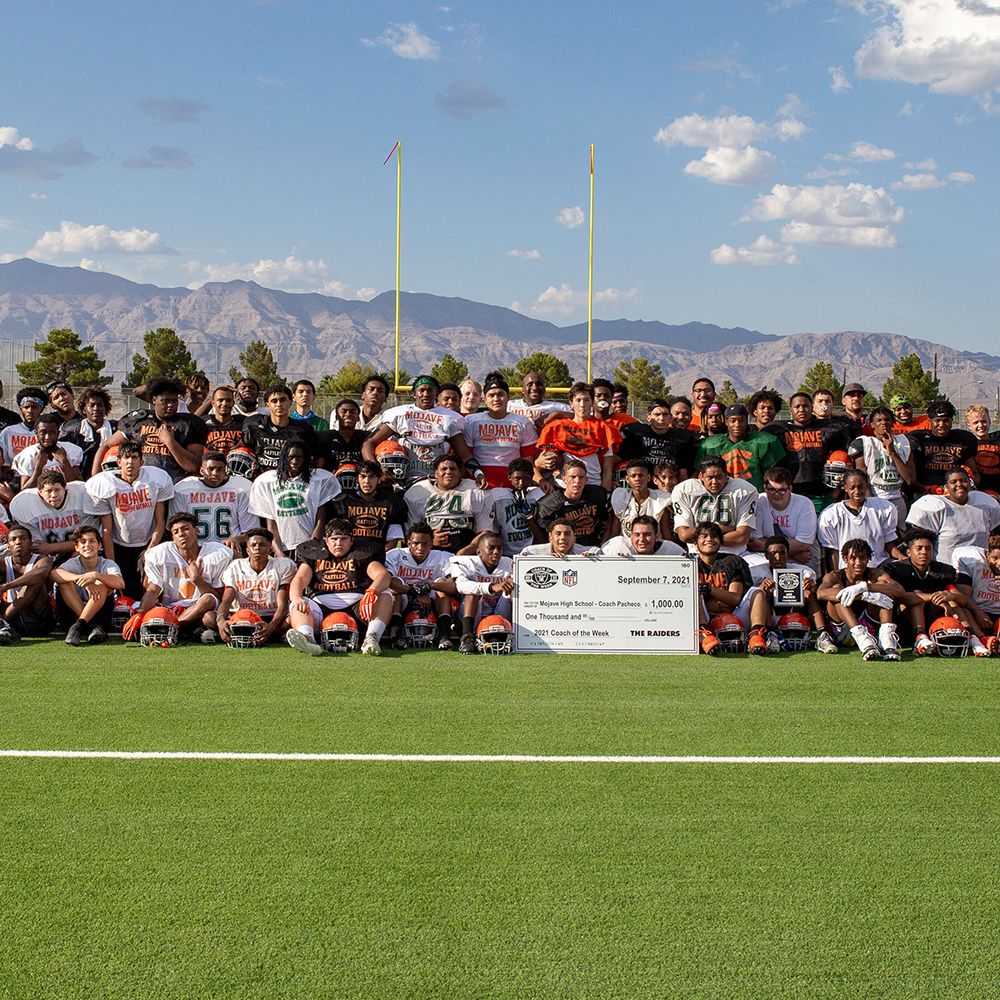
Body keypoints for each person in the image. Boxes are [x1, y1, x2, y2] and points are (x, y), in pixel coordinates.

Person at [285, 519, 393, 656]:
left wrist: (372, 591)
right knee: (297, 604)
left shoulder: (363, 554)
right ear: (325, 540)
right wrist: (297, 598)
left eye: (344, 539)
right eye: (334, 539)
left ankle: (372, 638)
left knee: (385, 594)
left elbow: (383, 575)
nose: (338, 543)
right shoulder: (314, 554)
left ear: (352, 540)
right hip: (320, 607)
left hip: (358, 607)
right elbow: (299, 578)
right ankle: (308, 640)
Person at [84, 441, 173, 598]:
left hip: (148, 541)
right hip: (119, 544)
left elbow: (160, 520)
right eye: (126, 458)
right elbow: (107, 529)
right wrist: (111, 562)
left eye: (134, 457)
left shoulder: (156, 479)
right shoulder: (105, 484)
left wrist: (150, 549)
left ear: (142, 461)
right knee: (123, 588)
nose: (130, 462)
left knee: (150, 585)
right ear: (119, 462)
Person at [885, 527, 992, 656]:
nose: (924, 552)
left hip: (935, 618)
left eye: (928, 548)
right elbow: (901, 598)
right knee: (917, 597)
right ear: (908, 552)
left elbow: (961, 598)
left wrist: (949, 595)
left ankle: (974, 639)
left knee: (953, 601)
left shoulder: (944, 570)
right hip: (904, 621)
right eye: (919, 548)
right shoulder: (896, 568)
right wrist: (933, 597)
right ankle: (920, 638)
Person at [139, 512, 233, 643]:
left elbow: (218, 597)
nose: (181, 534)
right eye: (176, 532)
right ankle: (179, 628)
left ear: (197, 531)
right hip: (170, 609)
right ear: (173, 537)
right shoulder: (160, 554)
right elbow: (154, 589)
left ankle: (172, 628)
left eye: (185, 529)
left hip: (200, 609)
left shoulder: (216, 554)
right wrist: (140, 613)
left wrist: (197, 580)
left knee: (208, 606)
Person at [363, 374, 472, 485]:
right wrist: (377, 469)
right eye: (422, 390)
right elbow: (368, 443)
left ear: (436, 394)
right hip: (402, 481)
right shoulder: (399, 414)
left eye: (430, 390)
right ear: (414, 394)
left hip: (437, 483)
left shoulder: (450, 418)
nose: (426, 394)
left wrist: (478, 474)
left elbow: (465, 456)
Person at [96, 378, 208, 483]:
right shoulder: (138, 420)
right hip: (140, 487)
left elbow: (194, 466)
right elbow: (106, 445)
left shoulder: (188, 424)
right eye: (165, 401)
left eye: (174, 401)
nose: (170, 405)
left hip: (175, 486)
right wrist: (94, 476)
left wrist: (170, 442)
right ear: (154, 400)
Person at [816, 538, 905, 660]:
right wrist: (859, 594)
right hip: (841, 630)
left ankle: (887, 644)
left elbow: (899, 590)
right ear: (845, 559)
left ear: (868, 559)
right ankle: (863, 641)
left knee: (883, 594)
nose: (858, 562)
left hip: (869, 628)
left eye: (863, 558)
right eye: (853, 558)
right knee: (839, 593)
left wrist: (867, 587)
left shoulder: (875, 574)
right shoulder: (835, 576)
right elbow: (820, 593)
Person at [248, 440, 340, 557]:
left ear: (306, 458)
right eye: (291, 457)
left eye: (299, 457)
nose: (295, 461)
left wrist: (312, 544)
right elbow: (271, 524)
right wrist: (279, 552)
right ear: (283, 458)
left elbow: (320, 519)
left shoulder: (317, 479)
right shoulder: (268, 481)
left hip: (310, 545)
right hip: (283, 546)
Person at [747, 534, 837, 653]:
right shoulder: (757, 572)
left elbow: (813, 594)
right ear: (766, 556)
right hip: (770, 615)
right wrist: (763, 589)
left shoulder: (802, 571)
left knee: (807, 593)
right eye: (773, 553)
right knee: (763, 593)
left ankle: (822, 635)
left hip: (795, 613)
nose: (778, 558)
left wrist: (812, 587)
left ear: (788, 554)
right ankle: (770, 633)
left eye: (782, 553)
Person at [693, 521, 771, 656]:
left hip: (734, 615)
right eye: (704, 536)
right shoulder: (689, 564)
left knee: (757, 592)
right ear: (695, 542)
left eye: (714, 536)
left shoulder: (732, 561)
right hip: (704, 616)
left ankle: (756, 634)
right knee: (692, 592)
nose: (709, 539)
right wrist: (716, 602)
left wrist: (709, 589)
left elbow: (734, 598)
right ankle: (704, 634)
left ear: (721, 541)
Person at [762, 391, 848, 512]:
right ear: (791, 409)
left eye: (805, 406)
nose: (801, 409)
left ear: (812, 407)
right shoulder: (776, 429)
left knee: (820, 527)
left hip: (820, 492)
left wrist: (837, 489)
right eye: (797, 406)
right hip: (788, 491)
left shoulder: (830, 429)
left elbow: (844, 458)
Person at [213, 528, 295, 646]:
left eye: (262, 545)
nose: (257, 547)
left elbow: (282, 604)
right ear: (247, 550)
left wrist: (271, 626)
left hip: (270, 617)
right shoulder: (236, 566)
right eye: (253, 545)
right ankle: (272, 636)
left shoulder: (282, 566)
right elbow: (226, 601)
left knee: (293, 617)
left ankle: (268, 633)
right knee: (209, 618)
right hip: (241, 617)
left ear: (270, 549)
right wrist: (221, 622)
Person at [906, 466, 1000, 565]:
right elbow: (922, 542)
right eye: (953, 482)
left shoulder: (985, 503)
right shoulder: (935, 506)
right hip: (947, 568)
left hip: (979, 566)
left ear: (969, 483)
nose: (959, 484)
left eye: (963, 480)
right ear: (946, 486)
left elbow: (993, 536)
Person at [403, 455, 495, 554]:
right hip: (430, 554)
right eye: (444, 469)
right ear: (436, 473)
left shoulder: (476, 491)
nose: (448, 472)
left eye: (453, 469)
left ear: (460, 473)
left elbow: (485, 531)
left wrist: (467, 550)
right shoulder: (417, 492)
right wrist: (430, 541)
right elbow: (411, 534)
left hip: (466, 554)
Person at [385, 521, 456, 650]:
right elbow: (387, 581)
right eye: (416, 543)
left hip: (432, 600)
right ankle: (396, 636)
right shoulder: (395, 555)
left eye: (425, 544)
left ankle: (444, 636)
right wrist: (413, 591)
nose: (420, 548)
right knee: (396, 586)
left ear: (432, 543)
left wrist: (430, 586)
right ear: (408, 542)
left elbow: (453, 586)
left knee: (442, 584)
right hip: (405, 595)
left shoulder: (444, 557)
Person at [535, 382, 619, 489]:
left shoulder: (604, 428)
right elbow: (543, 459)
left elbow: (607, 467)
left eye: (586, 400)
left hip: (592, 484)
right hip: (564, 486)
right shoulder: (556, 427)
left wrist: (605, 493)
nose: (582, 404)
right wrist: (548, 460)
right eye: (578, 400)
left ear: (592, 402)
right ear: (571, 403)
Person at [51, 524, 124, 645]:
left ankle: (79, 625)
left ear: (99, 545)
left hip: (99, 616)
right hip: (71, 616)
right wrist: (81, 579)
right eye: (83, 542)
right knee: (64, 582)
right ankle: (87, 625)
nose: (87, 545)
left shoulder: (107, 563)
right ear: (77, 547)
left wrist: (95, 576)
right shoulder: (73, 563)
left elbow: (120, 583)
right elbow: (55, 574)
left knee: (103, 583)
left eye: (92, 541)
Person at [461, 372, 538, 488]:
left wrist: (539, 481)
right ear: (484, 400)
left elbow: (528, 462)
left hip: (512, 485)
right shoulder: (471, 421)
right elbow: (466, 457)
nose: (496, 399)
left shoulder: (523, 422)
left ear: (508, 397)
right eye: (491, 395)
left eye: (500, 394)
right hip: (478, 485)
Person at [169, 450, 257, 549]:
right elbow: (176, 529)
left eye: (220, 469)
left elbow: (252, 532)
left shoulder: (241, 489)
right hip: (195, 550)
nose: (215, 473)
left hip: (229, 549)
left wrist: (236, 539)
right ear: (201, 471)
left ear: (226, 470)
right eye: (210, 469)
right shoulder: (183, 489)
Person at [672, 456, 758, 556]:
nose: (714, 482)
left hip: (736, 554)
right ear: (701, 476)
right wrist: (726, 529)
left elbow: (742, 537)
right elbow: (684, 535)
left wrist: (703, 539)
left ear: (726, 476)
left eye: (718, 477)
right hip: (697, 555)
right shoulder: (683, 490)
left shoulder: (745, 490)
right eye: (710, 477)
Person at [817, 469, 901, 572]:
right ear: (845, 488)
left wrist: (901, 557)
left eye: (860, 486)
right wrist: (837, 575)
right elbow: (832, 551)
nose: (857, 491)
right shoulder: (831, 514)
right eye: (852, 487)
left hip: (878, 569)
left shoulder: (883, 508)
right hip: (848, 572)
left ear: (866, 486)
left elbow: (888, 543)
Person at [448, 531, 515, 654]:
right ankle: (467, 637)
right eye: (491, 548)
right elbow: (460, 585)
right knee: (472, 591)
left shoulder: (508, 563)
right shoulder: (466, 561)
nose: (496, 552)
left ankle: (519, 633)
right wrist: (491, 587)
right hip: (473, 612)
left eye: (499, 548)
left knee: (513, 589)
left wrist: (512, 582)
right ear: (478, 551)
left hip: (498, 613)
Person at [848, 405, 915, 523]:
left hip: (897, 497)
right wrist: (872, 503)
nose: (883, 422)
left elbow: (909, 480)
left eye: (887, 419)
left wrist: (892, 452)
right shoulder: (865, 443)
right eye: (879, 420)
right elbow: (862, 477)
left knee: (899, 536)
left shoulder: (903, 442)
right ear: (872, 424)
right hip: (874, 496)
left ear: (893, 423)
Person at [696, 402, 784, 491]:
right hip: (722, 495)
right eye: (733, 420)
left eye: (741, 420)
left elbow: (772, 474)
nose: (737, 424)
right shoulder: (710, 445)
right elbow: (700, 474)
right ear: (726, 422)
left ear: (747, 421)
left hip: (754, 494)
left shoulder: (763, 441)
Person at [9, 470, 96, 560]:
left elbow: (90, 541)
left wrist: (50, 548)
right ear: (40, 492)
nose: (54, 495)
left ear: (65, 488)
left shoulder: (83, 494)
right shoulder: (23, 504)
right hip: (47, 557)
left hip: (81, 552)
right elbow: (38, 549)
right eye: (48, 491)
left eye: (57, 490)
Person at [331, 459, 408, 558]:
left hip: (379, 556)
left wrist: (379, 557)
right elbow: (335, 537)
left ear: (379, 478)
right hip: (350, 556)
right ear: (357, 478)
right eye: (363, 476)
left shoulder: (391, 503)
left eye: (372, 476)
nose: (367, 481)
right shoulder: (343, 502)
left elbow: (393, 540)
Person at [748, 466, 819, 571]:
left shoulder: (804, 504)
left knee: (810, 554)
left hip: (802, 555)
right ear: (765, 488)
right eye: (772, 489)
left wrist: (765, 545)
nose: (776, 494)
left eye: (781, 490)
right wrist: (792, 554)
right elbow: (754, 542)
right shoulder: (759, 501)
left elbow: (804, 543)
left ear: (790, 488)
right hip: (779, 554)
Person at [241, 383, 317, 476]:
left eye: (283, 400)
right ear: (267, 404)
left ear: (290, 402)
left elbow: (311, 459)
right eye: (274, 401)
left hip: (290, 481)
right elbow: (242, 449)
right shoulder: (254, 425)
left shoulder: (303, 429)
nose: (279, 404)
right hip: (261, 479)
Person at [908, 399, 978, 494]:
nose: (942, 425)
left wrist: (971, 480)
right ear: (930, 421)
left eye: (946, 420)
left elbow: (975, 474)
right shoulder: (918, 438)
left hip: (955, 491)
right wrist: (925, 489)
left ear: (952, 420)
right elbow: (910, 477)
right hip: (926, 492)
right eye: (937, 421)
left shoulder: (963, 439)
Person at [0, 523, 55, 643]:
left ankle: (3, 622)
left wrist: (6, 586)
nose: (18, 542)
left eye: (23, 538)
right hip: (14, 619)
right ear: (8, 546)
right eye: (13, 539)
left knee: (35, 581)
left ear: (31, 543)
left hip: (38, 621)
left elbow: (41, 574)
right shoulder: (3, 563)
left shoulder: (43, 559)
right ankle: (4, 624)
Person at [535, 459, 610, 547]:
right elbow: (544, 536)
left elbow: (607, 523)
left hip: (592, 549)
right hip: (563, 550)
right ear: (564, 479)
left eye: (581, 477)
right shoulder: (548, 504)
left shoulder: (597, 494)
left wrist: (603, 545)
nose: (577, 481)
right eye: (573, 477)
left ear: (586, 479)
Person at [617, 398, 695, 480]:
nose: (661, 418)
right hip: (642, 484)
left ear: (671, 418)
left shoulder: (681, 438)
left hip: (668, 485)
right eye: (657, 414)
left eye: (665, 414)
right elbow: (618, 459)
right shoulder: (635, 433)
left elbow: (682, 470)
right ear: (649, 417)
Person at [489, 458, 547, 556]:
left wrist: (528, 516)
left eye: (526, 478)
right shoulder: (499, 497)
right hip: (506, 553)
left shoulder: (538, 496)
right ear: (509, 477)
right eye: (517, 478)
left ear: (532, 477)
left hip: (531, 553)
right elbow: (494, 532)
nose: (521, 483)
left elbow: (543, 540)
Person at [11, 412, 83, 488]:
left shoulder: (69, 450)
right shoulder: (28, 455)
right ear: (36, 433)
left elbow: (79, 485)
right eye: (43, 433)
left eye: (52, 432)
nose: (47, 437)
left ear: (58, 433)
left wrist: (65, 462)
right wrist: (39, 467)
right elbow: (25, 490)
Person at [59, 386, 116, 478]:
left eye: (100, 405)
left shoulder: (115, 429)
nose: (96, 408)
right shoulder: (71, 430)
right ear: (84, 409)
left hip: (110, 481)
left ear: (106, 408)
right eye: (92, 405)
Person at [606, 459, 671, 540]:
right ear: (627, 479)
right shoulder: (620, 497)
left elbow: (666, 534)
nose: (637, 479)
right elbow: (614, 533)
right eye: (633, 476)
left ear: (648, 477)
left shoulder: (661, 500)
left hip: (654, 548)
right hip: (627, 548)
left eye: (641, 475)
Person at [0, 387, 47, 488]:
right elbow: (4, 463)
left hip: (43, 478)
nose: (30, 411)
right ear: (21, 408)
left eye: (34, 407)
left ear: (42, 408)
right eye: (26, 407)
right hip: (14, 479)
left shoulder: (48, 432)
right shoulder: (8, 432)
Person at [316, 399, 369, 468]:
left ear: (358, 418)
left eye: (352, 412)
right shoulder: (325, 437)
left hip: (359, 477)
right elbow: (318, 469)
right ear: (337, 417)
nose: (348, 414)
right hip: (332, 477)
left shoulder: (366, 437)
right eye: (344, 411)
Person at [600, 514, 684, 557]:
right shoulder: (617, 546)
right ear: (631, 536)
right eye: (637, 535)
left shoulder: (672, 551)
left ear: (657, 536)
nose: (642, 539)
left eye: (647, 535)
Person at [965, 404, 1000, 496]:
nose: (980, 425)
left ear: (990, 422)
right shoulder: (966, 443)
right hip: (976, 489)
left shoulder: (997, 440)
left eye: (984, 421)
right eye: (976, 422)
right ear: (969, 425)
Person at [520, 518, 599, 557]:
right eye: (558, 534)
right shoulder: (531, 552)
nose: (562, 538)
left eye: (567, 534)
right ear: (550, 537)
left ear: (574, 538)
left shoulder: (589, 552)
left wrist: (592, 560)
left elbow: (596, 551)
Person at [202, 385, 246, 456]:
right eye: (220, 400)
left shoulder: (243, 422)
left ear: (233, 403)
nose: (225, 404)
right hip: (211, 464)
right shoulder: (204, 422)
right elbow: (193, 418)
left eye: (228, 400)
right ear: (213, 403)